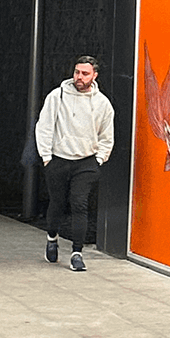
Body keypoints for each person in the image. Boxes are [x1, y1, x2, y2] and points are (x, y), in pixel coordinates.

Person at [34, 55, 115, 273]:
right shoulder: (57, 96)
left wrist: (100, 159)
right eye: (77, 72)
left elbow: (107, 135)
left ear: (95, 75)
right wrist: (46, 157)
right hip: (58, 159)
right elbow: (44, 127)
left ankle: (77, 253)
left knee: (79, 204)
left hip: (86, 162)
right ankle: (52, 238)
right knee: (57, 203)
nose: (79, 77)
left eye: (85, 73)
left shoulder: (102, 104)